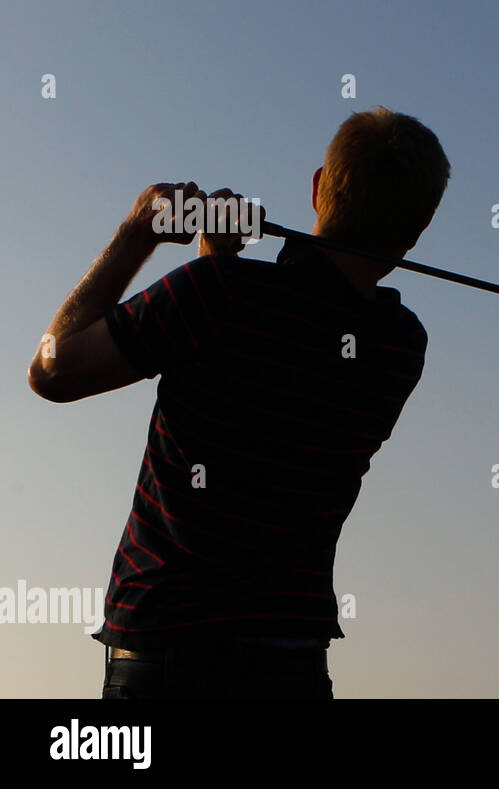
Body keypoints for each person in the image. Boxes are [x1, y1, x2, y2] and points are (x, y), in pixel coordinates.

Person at [27, 107, 450, 698]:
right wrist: (215, 266)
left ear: (316, 187)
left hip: (165, 650)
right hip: (291, 663)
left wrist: (139, 233)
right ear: (420, 226)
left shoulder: (216, 295)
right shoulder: (401, 346)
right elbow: (268, 370)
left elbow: (53, 368)